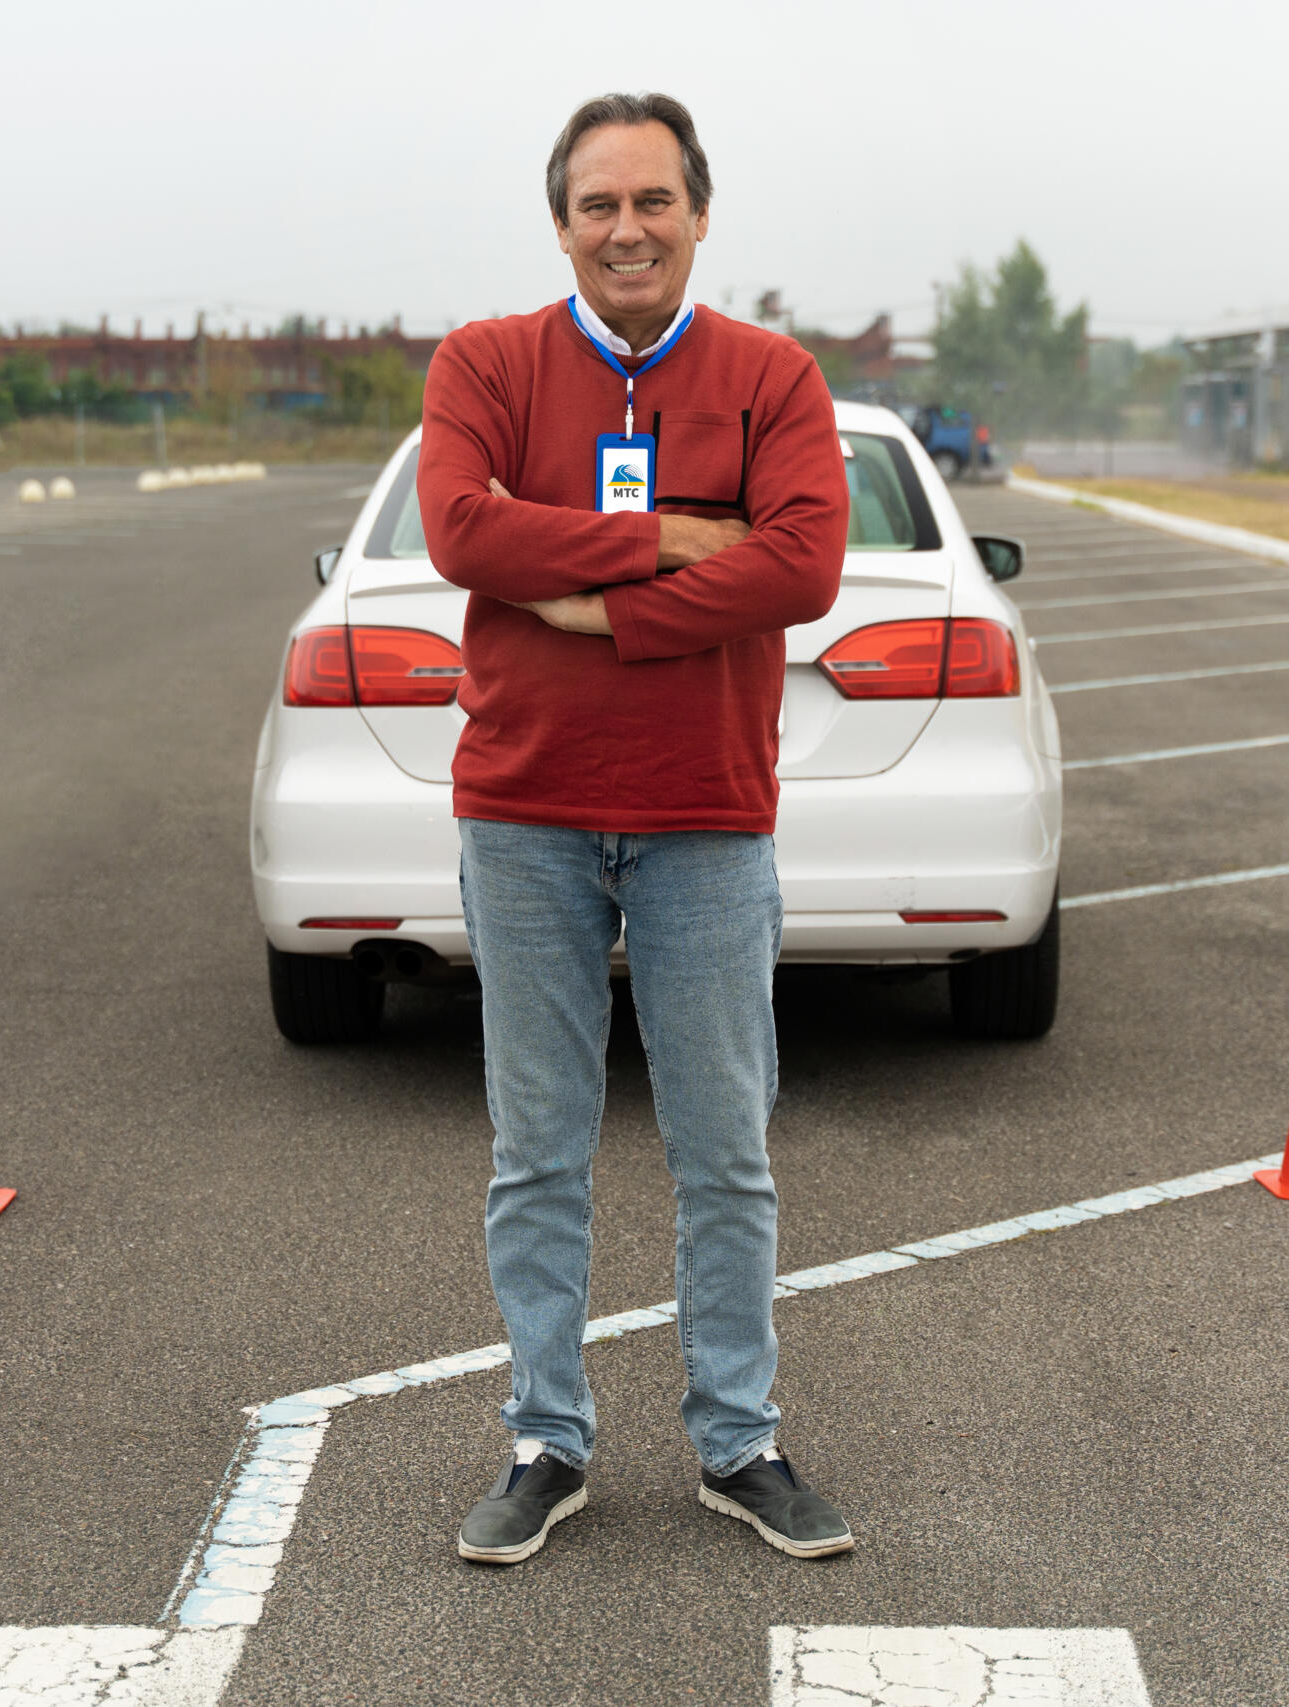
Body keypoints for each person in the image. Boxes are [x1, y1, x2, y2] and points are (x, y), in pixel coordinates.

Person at [417, 91, 854, 1566]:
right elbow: (465, 533)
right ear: (562, 225)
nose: (627, 229)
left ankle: (740, 1441)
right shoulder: (484, 360)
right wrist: (670, 537)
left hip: (705, 823)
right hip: (525, 813)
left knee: (723, 1148)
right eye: (598, 205)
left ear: (700, 214)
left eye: (652, 201)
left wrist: (590, 605)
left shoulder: (771, 377)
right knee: (537, 1149)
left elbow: (801, 565)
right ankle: (548, 1439)